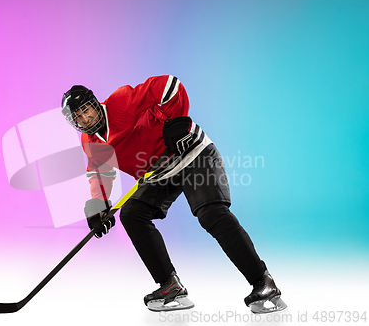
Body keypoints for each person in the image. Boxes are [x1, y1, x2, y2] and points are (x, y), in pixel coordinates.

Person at [60, 75, 287, 314]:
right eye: (79, 117)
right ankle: (170, 285)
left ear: (95, 104)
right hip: (159, 173)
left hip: (192, 154)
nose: (86, 118)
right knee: (132, 214)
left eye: (87, 110)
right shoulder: (91, 141)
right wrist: (99, 204)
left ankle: (264, 283)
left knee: (211, 214)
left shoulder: (121, 101)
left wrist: (176, 122)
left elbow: (169, 86)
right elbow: (99, 173)